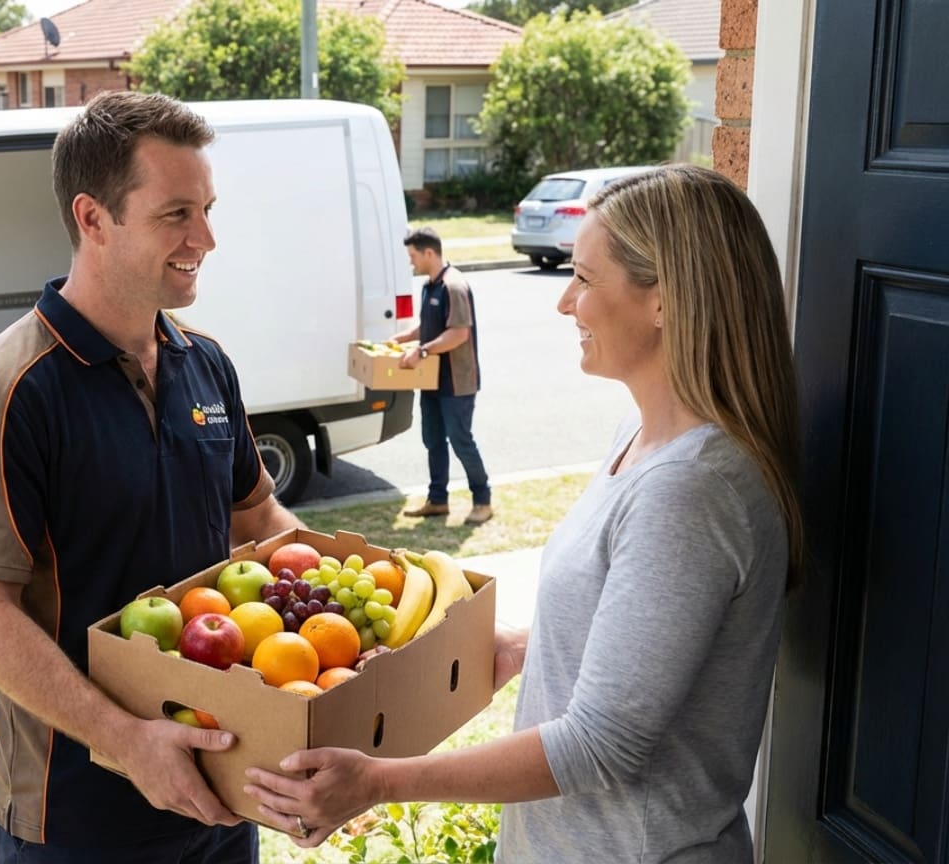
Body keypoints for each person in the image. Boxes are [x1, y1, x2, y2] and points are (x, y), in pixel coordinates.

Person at [242, 164, 805, 863]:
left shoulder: (688, 491)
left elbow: (601, 746)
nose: (566, 303)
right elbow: (639, 640)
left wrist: (379, 782)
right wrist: (517, 649)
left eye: (586, 279)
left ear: (666, 299)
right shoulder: (643, 443)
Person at [0, 91, 303, 863]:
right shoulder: (9, 391)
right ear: (93, 219)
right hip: (81, 816)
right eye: (177, 214)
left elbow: (260, 520)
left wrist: (367, 604)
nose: (205, 237)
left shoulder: (205, 363)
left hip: (221, 788)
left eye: (207, 209)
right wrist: (128, 740)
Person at [394, 227, 493, 525]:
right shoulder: (429, 286)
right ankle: (437, 500)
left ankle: (482, 500)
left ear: (429, 253)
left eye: (413, 256)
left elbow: (459, 333)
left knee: (461, 440)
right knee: (433, 440)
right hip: (432, 381)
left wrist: (421, 351)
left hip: (457, 383)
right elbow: (428, 326)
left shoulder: (454, 286)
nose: (411, 262)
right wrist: (403, 338)